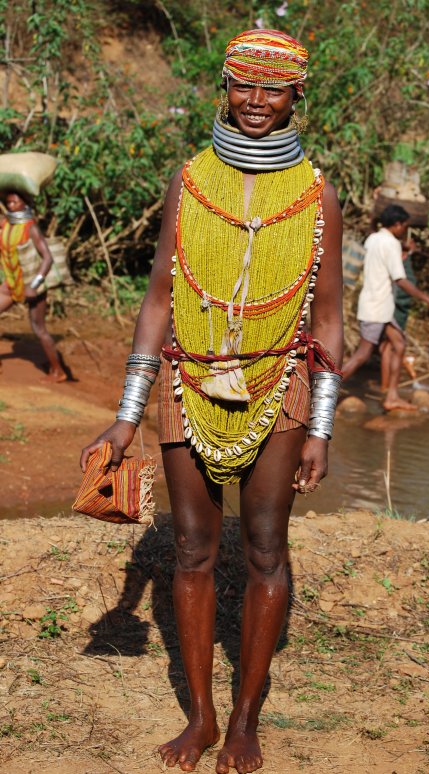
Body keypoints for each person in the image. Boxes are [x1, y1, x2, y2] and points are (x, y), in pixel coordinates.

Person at [80, 29, 343, 774]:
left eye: (274, 88)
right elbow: (160, 299)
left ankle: (245, 721)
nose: (257, 101)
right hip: (187, 378)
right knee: (191, 551)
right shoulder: (190, 181)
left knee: (265, 551)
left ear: (297, 96)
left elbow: (327, 321)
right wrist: (129, 414)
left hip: (280, 383)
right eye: (243, 85)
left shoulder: (316, 194)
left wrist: (320, 427)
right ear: (223, 88)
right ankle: (200, 717)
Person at [341, 204, 429, 411]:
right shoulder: (391, 243)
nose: (404, 230)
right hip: (377, 308)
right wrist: (428, 299)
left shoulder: (373, 238)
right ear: (397, 225)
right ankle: (321, 392)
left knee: (399, 344)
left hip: (379, 307)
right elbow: (400, 279)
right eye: (404, 226)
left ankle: (392, 397)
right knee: (362, 355)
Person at [0, 191, 66, 381]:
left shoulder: (31, 228)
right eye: (8, 202)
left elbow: (48, 258)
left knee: (39, 330)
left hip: (31, 287)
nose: (10, 205)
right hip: (11, 285)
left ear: (24, 203)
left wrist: (34, 285)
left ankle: (58, 371)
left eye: (14, 202)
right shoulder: (5, 224)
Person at [379, 238, 418, 389]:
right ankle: (387, 388)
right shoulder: (397, 259)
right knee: (391, 346)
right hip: (393, 308)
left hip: (397, 308)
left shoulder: (402, 258)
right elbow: (401, 284)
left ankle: (386, 387)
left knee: (389, 346)